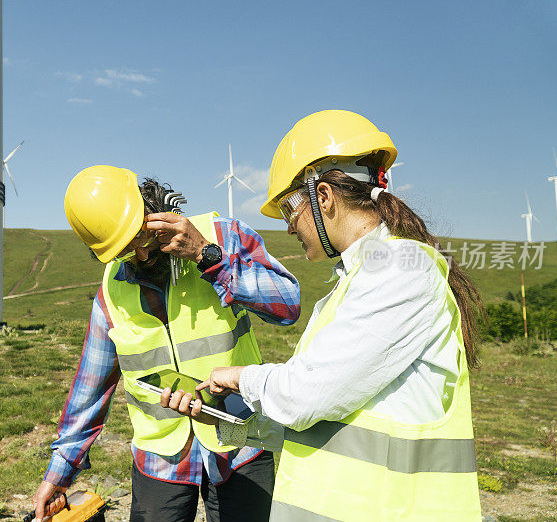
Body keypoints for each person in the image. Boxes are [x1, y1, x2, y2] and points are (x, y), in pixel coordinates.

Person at [161, 110, 484, 521]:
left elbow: (303, 396)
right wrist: (218, 419)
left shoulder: (402, 269)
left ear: (324, 197)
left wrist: (241, 376)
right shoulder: (352, 283)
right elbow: (314, 425)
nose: (290, 230)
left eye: (289, 213)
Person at [32, 165, 301, 522]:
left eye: (141, 238)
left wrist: (208, 256)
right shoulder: (110, 292)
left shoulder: (222, 235)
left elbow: (288, 305)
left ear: (153, 208)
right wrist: (59, 472)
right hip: (159, 460)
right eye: (125, 252)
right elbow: (90, 388)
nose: (141, 256)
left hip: (240, 444)